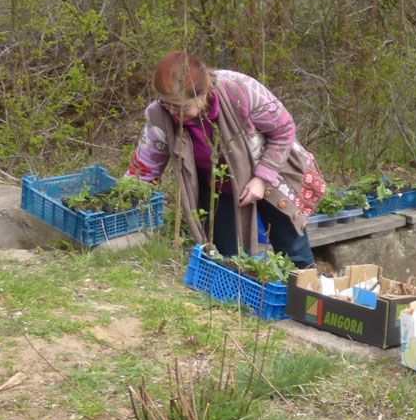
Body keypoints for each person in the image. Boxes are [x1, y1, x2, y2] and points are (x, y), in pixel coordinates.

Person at [128, 51, 325, 268]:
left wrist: (261, 178)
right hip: (219, 186)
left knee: (293, 250)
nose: (173, 112)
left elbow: (284, 129)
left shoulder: (240, 91)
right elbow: (146, 164)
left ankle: (305, 293)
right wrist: (127, 196)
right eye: (167, 104)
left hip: (271, 173)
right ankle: (238, 299)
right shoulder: (159, 115)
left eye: (181, 107)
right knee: (226, 258)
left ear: (203, 94)